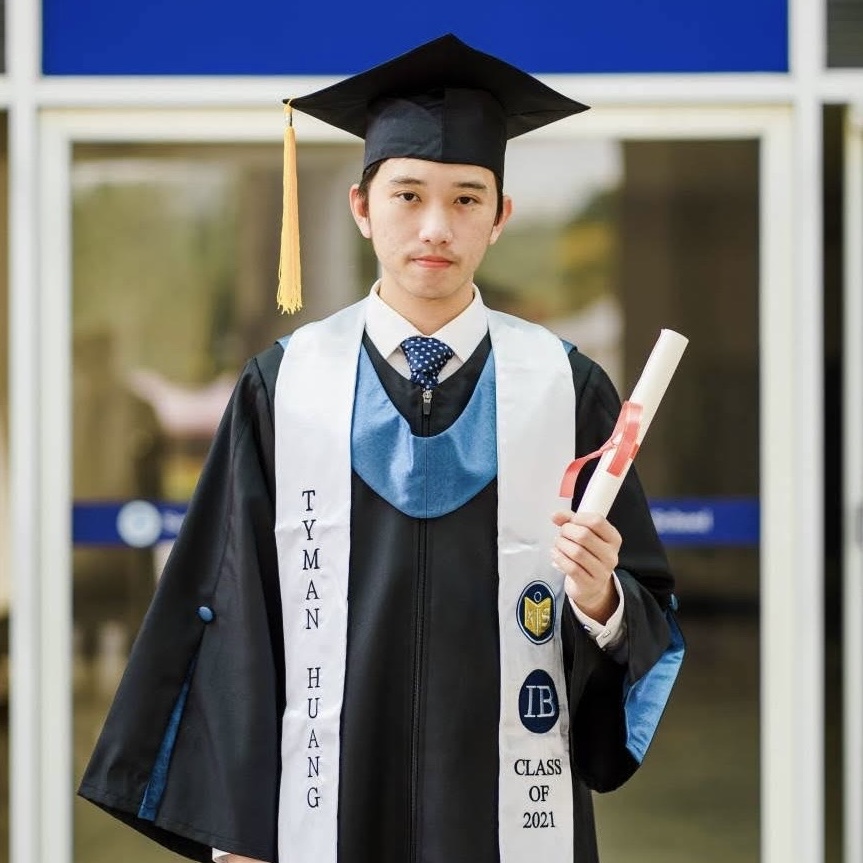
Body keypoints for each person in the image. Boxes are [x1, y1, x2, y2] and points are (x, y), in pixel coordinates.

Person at [79, 33, 684, 863]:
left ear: (500, 216)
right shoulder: (284, 386)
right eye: (407, 194)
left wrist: (603, 599)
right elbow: (230, 609)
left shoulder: (563, 385)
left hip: (504, 811)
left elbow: (641, 607)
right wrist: (236, 829)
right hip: (329, 803)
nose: (435, 226)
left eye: (466, 198)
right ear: (361, 207)